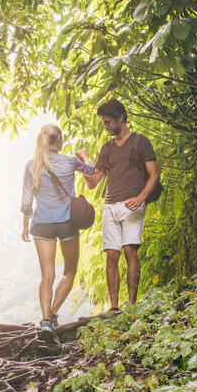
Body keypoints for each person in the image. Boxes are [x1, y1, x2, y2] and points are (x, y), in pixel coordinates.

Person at [76, 99, 159, 311]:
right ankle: (114, 308)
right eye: (103, 122)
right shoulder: (106, 149)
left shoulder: (141, 142)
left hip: (133, 203)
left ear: (120, 118)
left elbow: (154, 175)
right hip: (110, 206)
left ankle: (131, 305)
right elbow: (93, 182)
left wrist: (140, 198)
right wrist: (84, 160)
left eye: (108, 121)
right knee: (111, 255)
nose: (105, 126)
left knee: (130, 250)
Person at [21, 124, 95, 342]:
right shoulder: (70, 161)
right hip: (67, 223)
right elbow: (91, 171)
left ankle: (45, 321)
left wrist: (26, 225)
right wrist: (85, 156)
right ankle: (53, 314)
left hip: (42, 224)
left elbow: (26, 202)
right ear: (59, 140)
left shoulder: (31, 165)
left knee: (47, 275)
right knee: (69, 272)